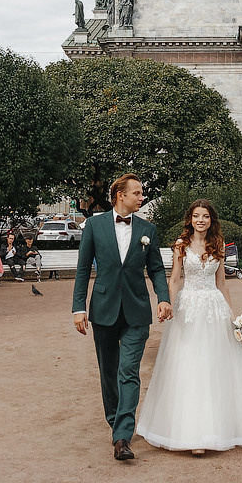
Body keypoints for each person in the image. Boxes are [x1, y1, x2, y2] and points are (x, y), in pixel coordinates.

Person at [137, 199, 242, 456]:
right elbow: (174, 280)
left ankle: (216, 430)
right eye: (197, 216)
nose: (201, 220)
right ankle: (191, 433)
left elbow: (222, 283)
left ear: (211, 220)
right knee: (188, 366)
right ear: (190, 219)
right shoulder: (181, 244)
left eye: (206, 216)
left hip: (213, 308)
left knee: (215, 367)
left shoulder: (218, 244)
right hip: (188, 309)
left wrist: (232, 315)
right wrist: (169, 306)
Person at [71, 174, 172, 463]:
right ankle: (115, 420)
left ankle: (123, 436)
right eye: (137, 193)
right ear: (120, 195)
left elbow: (156, 269)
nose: (142, 197)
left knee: (128, 370)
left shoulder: (148, 229)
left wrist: (163, 298)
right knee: (108, 371)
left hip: (136, 310)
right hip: (103, 309)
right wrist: (79, 308)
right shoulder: (94, 226)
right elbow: (82, 269)